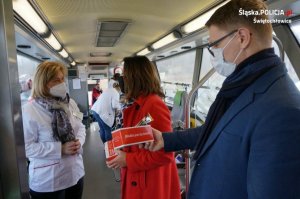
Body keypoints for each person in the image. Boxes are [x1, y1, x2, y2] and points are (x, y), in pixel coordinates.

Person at [142, 0, 300, 198]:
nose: (213, 53)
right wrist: (165, 139)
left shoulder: (283, 112)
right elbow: (217, 131)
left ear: (242, 38)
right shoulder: (241, 85)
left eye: (215, 44)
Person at [107, 56, 181, 199]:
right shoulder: (138, 105)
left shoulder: (154, 105)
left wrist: (127, 159)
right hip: (140, 179)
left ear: (135, 77)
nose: (122, 79)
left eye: (125, 75)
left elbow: (164, 154)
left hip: (150, 185)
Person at [22, 61, 86, 199]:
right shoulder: (29, 110)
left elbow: (80, 127)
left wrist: (79, 141)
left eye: (62, 79)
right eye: (56, 80)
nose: (62, 83)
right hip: (48, 181)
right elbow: (26, 147)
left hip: (75, 173)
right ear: (43, 83)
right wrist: (60, 149)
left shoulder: (70, 103)